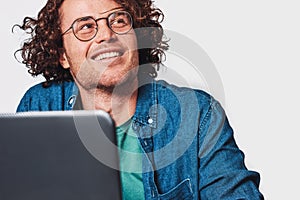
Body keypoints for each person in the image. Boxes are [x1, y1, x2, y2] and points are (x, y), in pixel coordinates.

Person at [14, 0, 264, 199]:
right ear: (63, 56)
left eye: (119, 20)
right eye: (86, 26)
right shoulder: (39, 106)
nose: (106, 35)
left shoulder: (197, 114)